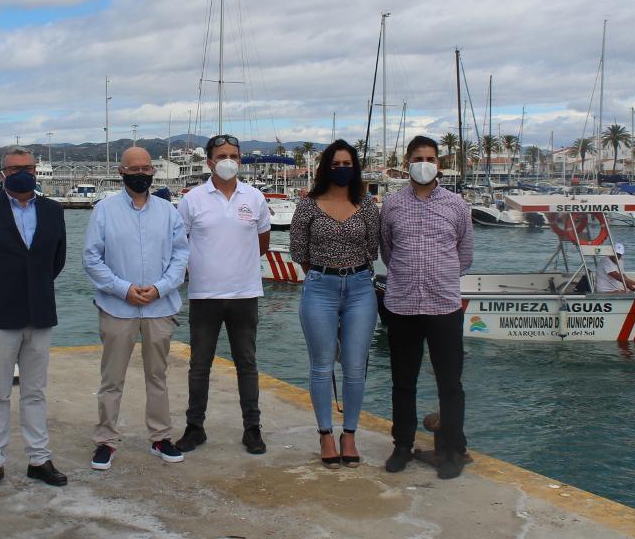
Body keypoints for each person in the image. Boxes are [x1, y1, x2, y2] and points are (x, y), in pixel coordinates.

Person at [0, 147, 68, 490]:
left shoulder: (52, 211)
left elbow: (57, 259)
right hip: (0, 312)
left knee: (35, 391)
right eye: (14, 167)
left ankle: (39, 459)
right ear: (2, 172)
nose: (22, 172)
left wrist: (35, 286)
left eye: (28, 167)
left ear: (36, 171)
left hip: (40, 312)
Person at [83, 146, 190, 470]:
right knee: (111, 378)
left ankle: (160, 437)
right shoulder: (104, 210)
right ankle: (105, 441)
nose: (141, 173)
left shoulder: (169, 211)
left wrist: (159, 288)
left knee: (157, 376)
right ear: (121, 171)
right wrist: (123, 289)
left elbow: (180, 256)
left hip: (160, 308)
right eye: (135, 169)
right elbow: (91, 258)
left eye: (147, 168)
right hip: (118, 308)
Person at [379, 135, 473, 480]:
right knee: (403, 382)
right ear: (407, 164)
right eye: (418, 158)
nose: (424, 163)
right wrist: (409, 273)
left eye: (430, 158)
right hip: (402, 305)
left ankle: (452, 447)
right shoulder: (391, 205)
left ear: (439, 164)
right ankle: (402, 445)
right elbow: (387, 251)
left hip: (443, 305)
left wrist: (439, 275)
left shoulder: (456, 205)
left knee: (450, 383)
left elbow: (465, 254)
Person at [175, 134, 271, 455]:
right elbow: (180, 243)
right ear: (209, 162)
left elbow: (262, 244)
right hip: (204, 295)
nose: (228, 160)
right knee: (199, 365)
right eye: (222, 155)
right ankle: (194, 427)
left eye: (234, 155)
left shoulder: (255, 198)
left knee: (247, 363)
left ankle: (252, 428)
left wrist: (236, 267)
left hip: (245, 294)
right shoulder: (192, 199)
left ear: (240, 160)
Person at [289, 140, 380, 468]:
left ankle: (350, 434)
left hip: (359, 290)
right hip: (320, 289)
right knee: (321, 365)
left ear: (354, 168)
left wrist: (349, 271)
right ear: (326, 167)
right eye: (336, 163)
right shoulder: (309, 204)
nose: (342, 168)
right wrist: (323, 275)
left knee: (356, 367)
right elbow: (298, 249)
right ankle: (326, 434)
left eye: (348, 163)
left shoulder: (366, 203)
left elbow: (373, 248)